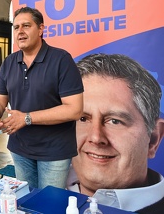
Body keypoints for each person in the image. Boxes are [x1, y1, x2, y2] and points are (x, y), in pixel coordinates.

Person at [0, 7, 84, 190]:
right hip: (20, 149)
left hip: (54, 151)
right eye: (16, 27)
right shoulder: (9, 62)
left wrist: (27, 118)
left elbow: (74, 109)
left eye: (26, 26)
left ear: (40, 29)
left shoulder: (61, 60)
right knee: (26, 201)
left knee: (49, 206)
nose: (20, 31)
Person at [67, 53, 164, 213]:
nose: (96, 137)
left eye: (115, 121)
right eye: (83, 119)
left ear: (153, 139)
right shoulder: (37, 187)